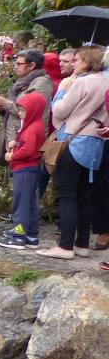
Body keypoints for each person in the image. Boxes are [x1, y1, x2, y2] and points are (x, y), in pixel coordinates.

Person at [39, 46, 109, 259]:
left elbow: (59, 111)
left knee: (68, 196)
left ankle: (65, 246)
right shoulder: (106, 82)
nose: (74, 63)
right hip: (95, 145)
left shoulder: (80, 82)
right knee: (84, 196)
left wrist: (61, 90)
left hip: (74, 142)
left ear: (87, 62)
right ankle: (82, 245)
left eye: (77, 59)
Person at [0, 91, 46, 250]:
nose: (19, 113)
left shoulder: (33, 128)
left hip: (24, 169)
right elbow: (26, 145)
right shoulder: (33, 126)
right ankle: (31, 234)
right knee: (30, 201)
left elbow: (29, 150)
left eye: (23, 110)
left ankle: (19, 235)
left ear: (33, 110)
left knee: (21, 202)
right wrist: (15, 143)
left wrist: (14, 156)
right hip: (29, 169)